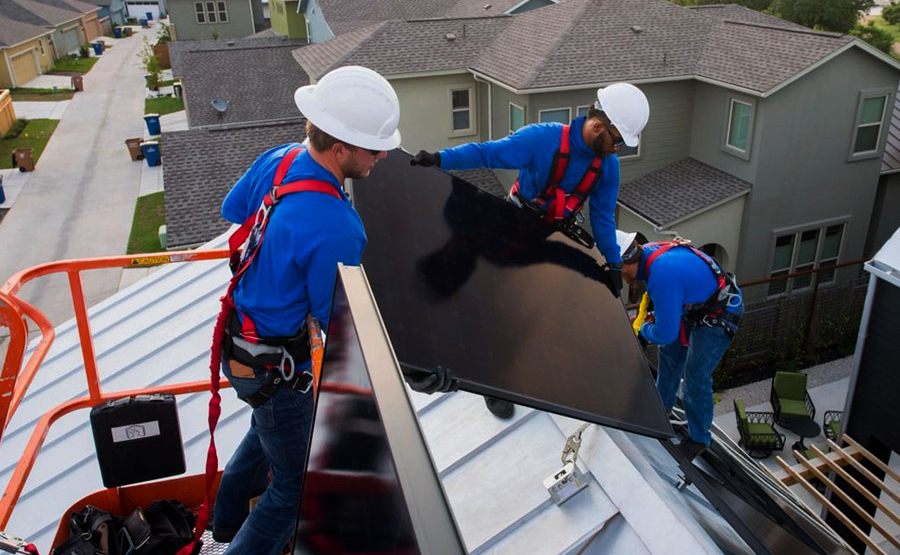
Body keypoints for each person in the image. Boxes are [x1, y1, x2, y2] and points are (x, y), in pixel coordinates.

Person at [212, 65, 401, 555]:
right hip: (275, 364)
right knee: (295, 489)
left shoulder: (281, 159)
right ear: (339, 148)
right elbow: (336, 320)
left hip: (241, 345)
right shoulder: (338, 226)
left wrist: (284, 249)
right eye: (373, 147)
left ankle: (224, 527)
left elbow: (236, 210)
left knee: (267, 431)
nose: (382, 155)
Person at [408, 83, 650, 418]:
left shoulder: (607, 168)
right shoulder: (543, 139)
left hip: (546, 234)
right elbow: (488, 153)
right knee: (484, 297)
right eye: (618, 141)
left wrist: (611, 264)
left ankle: (508, 376)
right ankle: (479, 376)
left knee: (525, 304)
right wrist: (439, 159)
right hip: (510, 219)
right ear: (598, 125)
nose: (618, 149)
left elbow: (604, 219)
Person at [617, 231, 743, 461]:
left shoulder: (661, 274)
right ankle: (661, 409)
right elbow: (655, 301)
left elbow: (665, 334)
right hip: (697, 306)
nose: (621, 274)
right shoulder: (649, 254)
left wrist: (643, 331)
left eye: (619, 269)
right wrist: (647, 326)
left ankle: (699, 439)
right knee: (670, 355)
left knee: (695, 378)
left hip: (720, 314)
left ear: (625, 264)